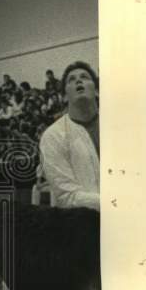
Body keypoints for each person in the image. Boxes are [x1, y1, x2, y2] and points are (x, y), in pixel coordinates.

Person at [39, 61, 100, 210]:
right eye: (71, 80)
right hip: (82, 224)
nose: (78, 80)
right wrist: (117, 203)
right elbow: (67, 197)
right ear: (65, 97)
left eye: (84, 77)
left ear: (97, 91)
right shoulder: (52, 137)